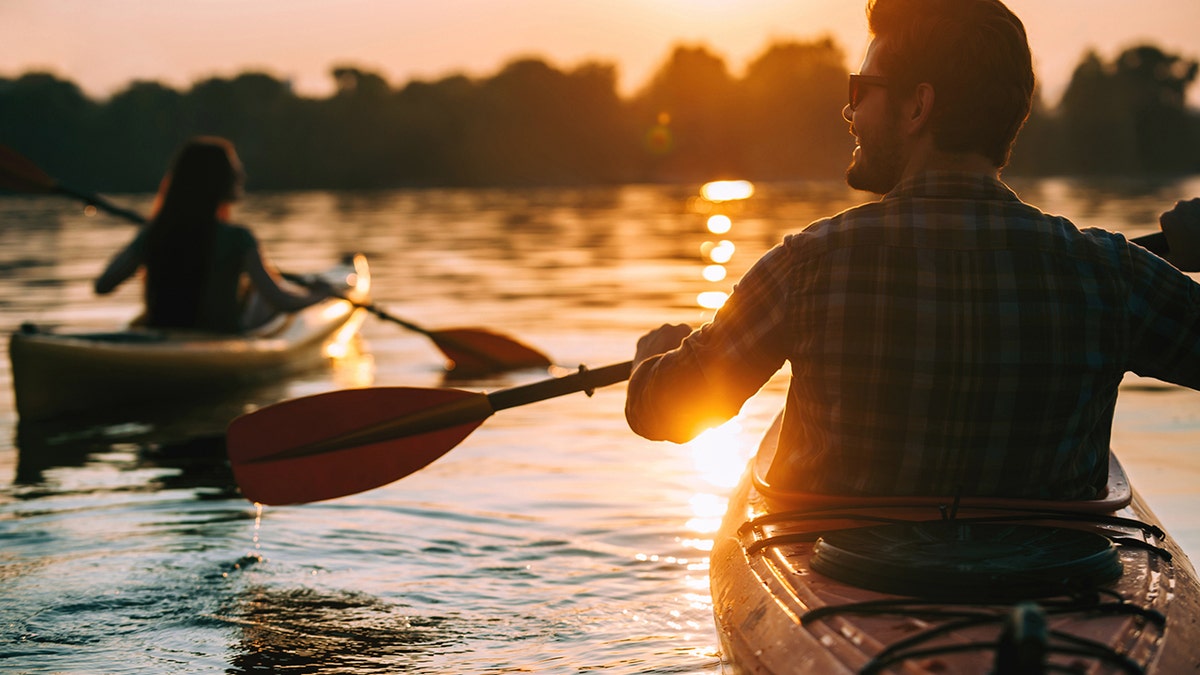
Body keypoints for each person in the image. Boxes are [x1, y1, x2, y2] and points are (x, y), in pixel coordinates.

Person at [625, 0, 1200, 500]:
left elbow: (664, 411)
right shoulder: (1111, 274)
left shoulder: (808, 267)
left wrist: (653, 361)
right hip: (1053, 591)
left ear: (917, 106)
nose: (850, 113)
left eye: (861, 90)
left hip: (853, 580)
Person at [95, 137, 331, 333]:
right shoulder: (239, 239)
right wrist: (321, 296)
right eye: (234, 171)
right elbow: (281, 301)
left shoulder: (155, 233)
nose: (241, 177)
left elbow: (103, 285)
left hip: (161, 337)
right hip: (220, 341)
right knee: (260, 299)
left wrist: (146, 239)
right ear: (219, 181)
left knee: (254, 295)